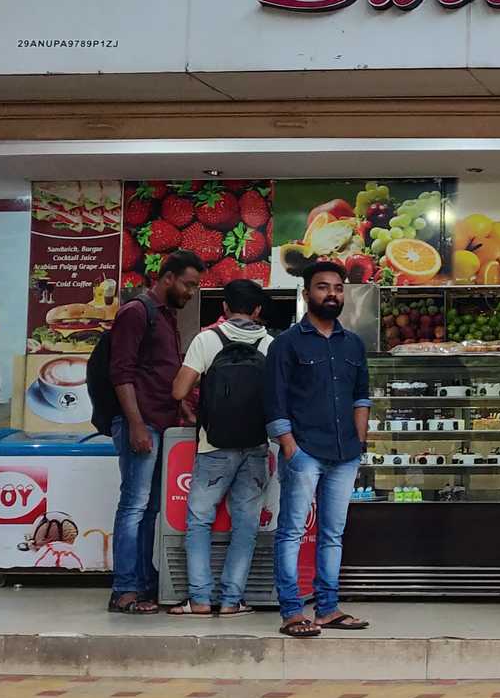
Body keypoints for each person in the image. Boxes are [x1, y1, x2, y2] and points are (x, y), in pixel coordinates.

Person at [266, 261, 372, 637]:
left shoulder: (353, 344)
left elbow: (361, 397)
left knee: (332, 534)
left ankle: (327, 609)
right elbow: (275, 401)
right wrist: (290, 447)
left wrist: (359, 443)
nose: (332, 294)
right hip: (305, 451)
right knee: (291, 532)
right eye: (323, 287)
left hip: (345, 454)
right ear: (307, 293)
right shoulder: (286, 343)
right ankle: (292, 612)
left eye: (338, 288)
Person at [164, 279, 273, 618]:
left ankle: (199, 599)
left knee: (199, 521)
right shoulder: (271, 344)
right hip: (256, 445)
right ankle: (231, 601)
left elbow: (178, 391)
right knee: (246, 526)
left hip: (213, 446)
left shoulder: (207, 339)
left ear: (224, 308)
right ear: (258, 310)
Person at [105, 249, 203, 615]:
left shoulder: (165, 316)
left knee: (150, 510)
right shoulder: (136, 312)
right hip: (142, 423)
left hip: (162, 422)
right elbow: (121, 372)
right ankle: (124, 590)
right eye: (188, 284)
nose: (191, 292)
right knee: (134, 506)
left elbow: (159, 372)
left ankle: (145, 584)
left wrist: (181, 408)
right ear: (168, 278)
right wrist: (135, 424)